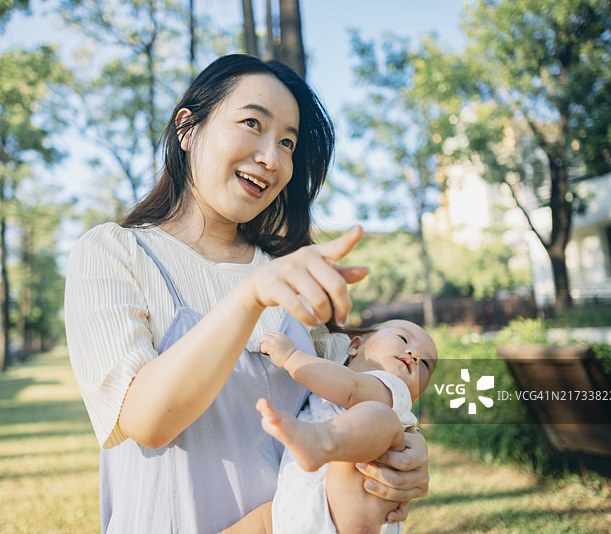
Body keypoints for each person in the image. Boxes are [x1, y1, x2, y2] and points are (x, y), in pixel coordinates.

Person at [64, 54, 429, 534]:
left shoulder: (291, 274)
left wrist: (408, 448)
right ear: (187, 128)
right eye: (252, 123)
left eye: (287, 143)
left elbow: (368, 395)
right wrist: (248, 297)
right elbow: (146, 421)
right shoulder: (115, 252)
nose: (271, 158)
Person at [256, 319, 438, 534]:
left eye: (426, 363)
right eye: (402, 338)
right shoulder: (330, 380)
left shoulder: (393, 390)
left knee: (381, 415)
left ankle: (323, 440)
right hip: (294, 513)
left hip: (350, 515)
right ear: (355, 346)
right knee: (258, 523)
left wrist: (290, 357)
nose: (415, 355)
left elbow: (352, 387)